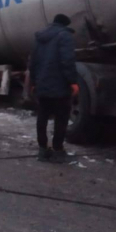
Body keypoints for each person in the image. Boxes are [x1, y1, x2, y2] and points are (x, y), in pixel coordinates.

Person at [29, 13, 79, 163]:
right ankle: (58, 150)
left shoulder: (40, 38)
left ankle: (43, 150)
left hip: (43, 85)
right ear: (65, 24)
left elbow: (33, 62)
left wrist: (33, 82)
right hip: (60, 86)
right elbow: (67, 61)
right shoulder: (65, 36)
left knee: (42, 117)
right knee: (61, 118)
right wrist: (72, 81)